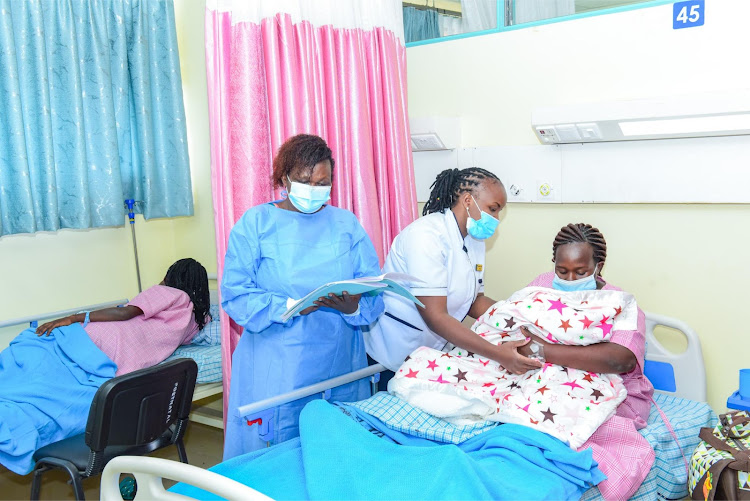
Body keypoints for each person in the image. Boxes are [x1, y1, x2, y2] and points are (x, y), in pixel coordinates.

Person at [221, 134, 385, 458]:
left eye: (322, 183)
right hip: (277, 365)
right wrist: (289, 307)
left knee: (336, 451)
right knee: (277, 455)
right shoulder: (256, 224)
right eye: (304, 182)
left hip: (340, 363)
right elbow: (236, 294)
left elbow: (373, 292)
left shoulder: (346, 225)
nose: (314, 191)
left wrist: (353, 308)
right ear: (284, 179)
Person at [0, 257, 210, 474]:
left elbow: (124, 313)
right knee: (52, 387)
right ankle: (16, 419)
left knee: (32, 354)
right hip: (115, 361)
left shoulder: (169, 293)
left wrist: (73, 318)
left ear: (171, 276)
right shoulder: (193, 322)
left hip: (94, 340)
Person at [364, 167, 541, 387]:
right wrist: (498, 354)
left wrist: (519, 317)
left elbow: (474, 300)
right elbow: (436, 316)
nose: (495, 219)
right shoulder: (425, 237)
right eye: (493, 209)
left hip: (433, 351)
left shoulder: (474, 239)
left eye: (498, 212)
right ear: (468, 200)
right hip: (396, 350)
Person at [520, 223, 655, 500]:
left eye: (581, 272)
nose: (569, 279)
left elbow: (620, 359)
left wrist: (543, 350)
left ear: (598, 267)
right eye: (562, 271)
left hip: (610, 385)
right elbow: (519, 326)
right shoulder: (541, 286)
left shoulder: (620, 303)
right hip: (548, 375)